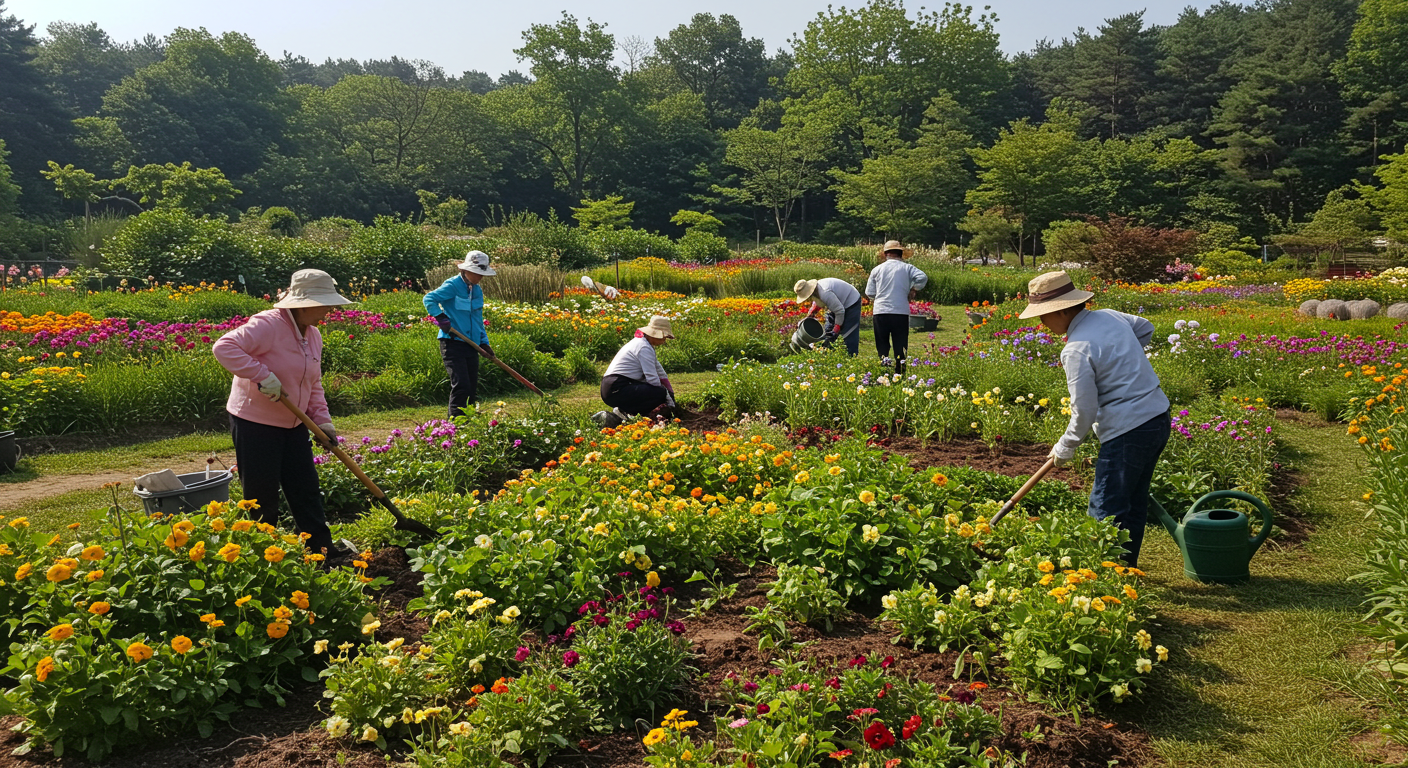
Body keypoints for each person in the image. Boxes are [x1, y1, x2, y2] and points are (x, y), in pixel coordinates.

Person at [1020, 271, 1170, 567]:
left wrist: (1066, 445)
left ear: (1061, 310)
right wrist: (1122, 360)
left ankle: (1101, 578)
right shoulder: (1110, 316)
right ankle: (1124, 570)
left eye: (1043, 316)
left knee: (1106, 507)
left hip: (1128, 430)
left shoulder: (1076, 349)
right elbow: (1146, 328)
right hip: (1157, 417)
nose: (1042, 324)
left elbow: (1084, 410)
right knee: (1134, 502)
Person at [212, 269, 351, 557]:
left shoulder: (313, 335)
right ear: (304, 303)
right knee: (261, 497)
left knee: (306, 489)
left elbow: (314, 383)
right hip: (255, 423)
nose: (330, 310)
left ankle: (323, 551)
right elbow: (224, 347)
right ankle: (265, 556)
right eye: (326, 304)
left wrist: (323, 421)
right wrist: (261, 374)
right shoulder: (268, 325)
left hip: (295, 422)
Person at [424, 250, 495, 418]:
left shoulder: (477, 291)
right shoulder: (452, 285)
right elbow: (429, 299)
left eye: (482, 274)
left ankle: (469, 425)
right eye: (477, 273)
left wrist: (483, 342)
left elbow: (477, 319)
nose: (480, 277)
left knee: (471, 387)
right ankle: (455, 426)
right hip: (453, 342)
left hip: (471, 344)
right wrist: (441, 317)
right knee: (461, 385)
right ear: (466, 270)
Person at [865, 240, 929, 373]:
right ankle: (900, 370)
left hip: (881, 310)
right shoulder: (907, 268)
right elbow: (922, 277)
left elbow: (869, 293)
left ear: (886, 254)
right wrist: (914, 288)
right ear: (901, 253)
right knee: (900, 342)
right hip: (900, 310)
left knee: (882, 342)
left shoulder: (877, 270)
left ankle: (884, 369)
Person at [599, 316, 677, 422]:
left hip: (613, 386)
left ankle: (632, 413)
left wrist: (670, 394)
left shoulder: (643, 344)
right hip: (616, 388)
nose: (664, 340)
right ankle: (628, 411)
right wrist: (666, 396)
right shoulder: (644, 347)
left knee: (658, 392)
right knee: (658, 393)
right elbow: (652, 378)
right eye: (664, 337)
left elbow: (660, 371)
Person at [794, 277, 862, 356]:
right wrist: (808, 318)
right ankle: (829, 356)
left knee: (848, 332)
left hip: (851, 301)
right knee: (827, 333)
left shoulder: (825, 292)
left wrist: (836, 329)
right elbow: (817, 305)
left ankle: (850, 357)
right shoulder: (816, 291)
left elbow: (840, 311)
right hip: (838, 304)